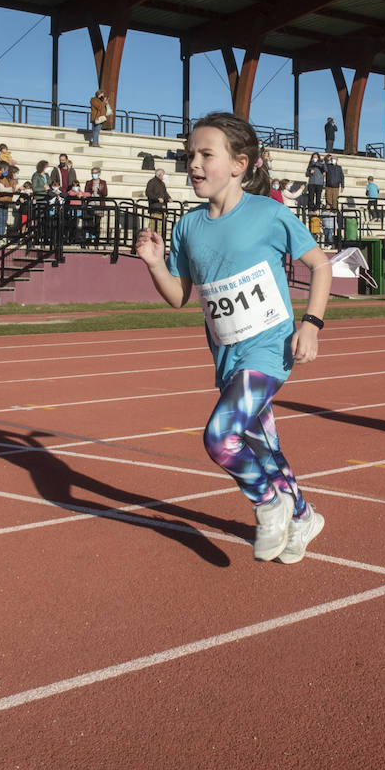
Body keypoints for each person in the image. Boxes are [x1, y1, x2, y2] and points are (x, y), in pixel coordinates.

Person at [134, 111, 330, 564]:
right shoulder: (187, 226)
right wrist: (154, 263)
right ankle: (302, 515)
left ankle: (268, 505)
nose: (194, 165)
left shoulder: (269, 214)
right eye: (189, 156)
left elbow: (320, 265)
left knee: (221, 438)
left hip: (269, 350)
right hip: (227, 357)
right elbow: (179, 297)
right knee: (263, 444)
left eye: (206, 154)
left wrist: (311, 325)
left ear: (240, 164)